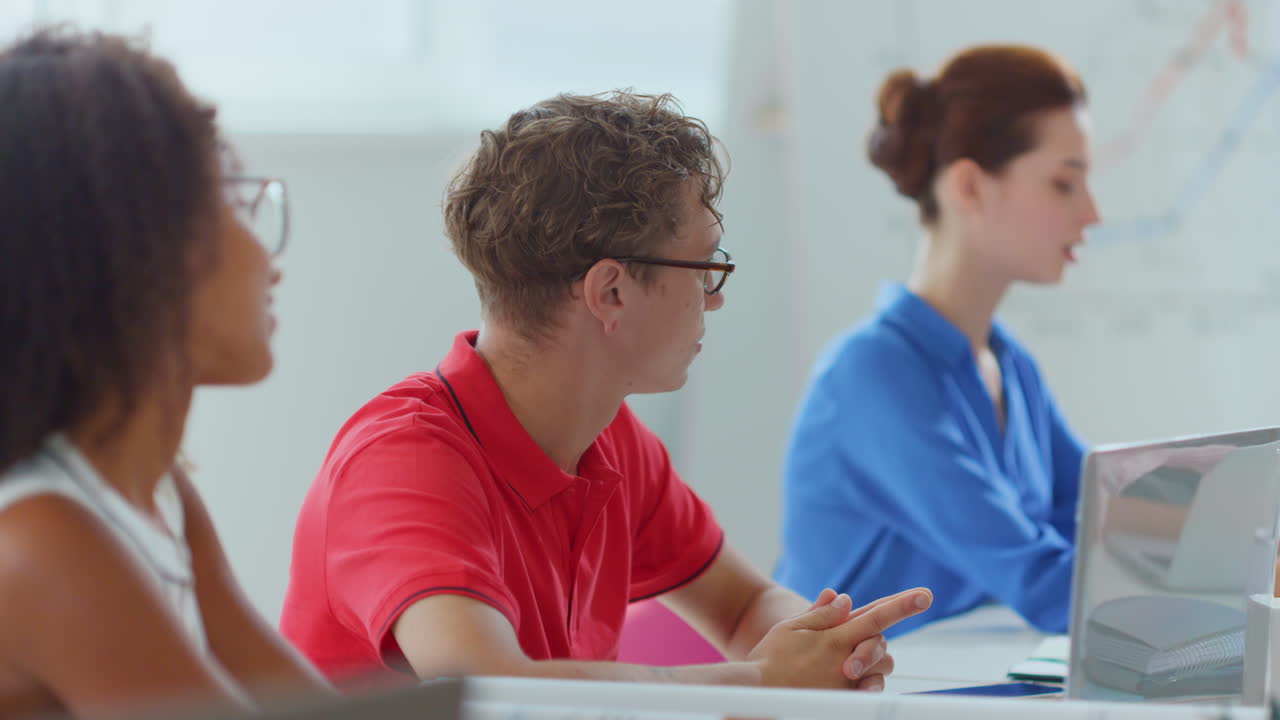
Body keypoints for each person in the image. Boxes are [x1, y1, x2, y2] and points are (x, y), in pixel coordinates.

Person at [281, 91, 932, 691]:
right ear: (610, 291)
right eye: (705, 266)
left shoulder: (610, 438)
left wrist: (826, 648)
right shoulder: (402, 462)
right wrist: (761, 685)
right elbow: (494, 694)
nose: (718, 294)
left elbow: (742, 605)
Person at [0, 28, 331, 718]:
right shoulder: (47, 538)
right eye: (229, 200)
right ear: (134, 255)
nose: (268, 259)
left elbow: (298, 703)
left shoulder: (153, 494)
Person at [775, 45, 1100, 637]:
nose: (1092, 212)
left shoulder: (1009, 365)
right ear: (971, 186)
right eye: (1064, 183)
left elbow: (1101, 520)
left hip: (955, 684)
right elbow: (1044, 581)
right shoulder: (870, 374)